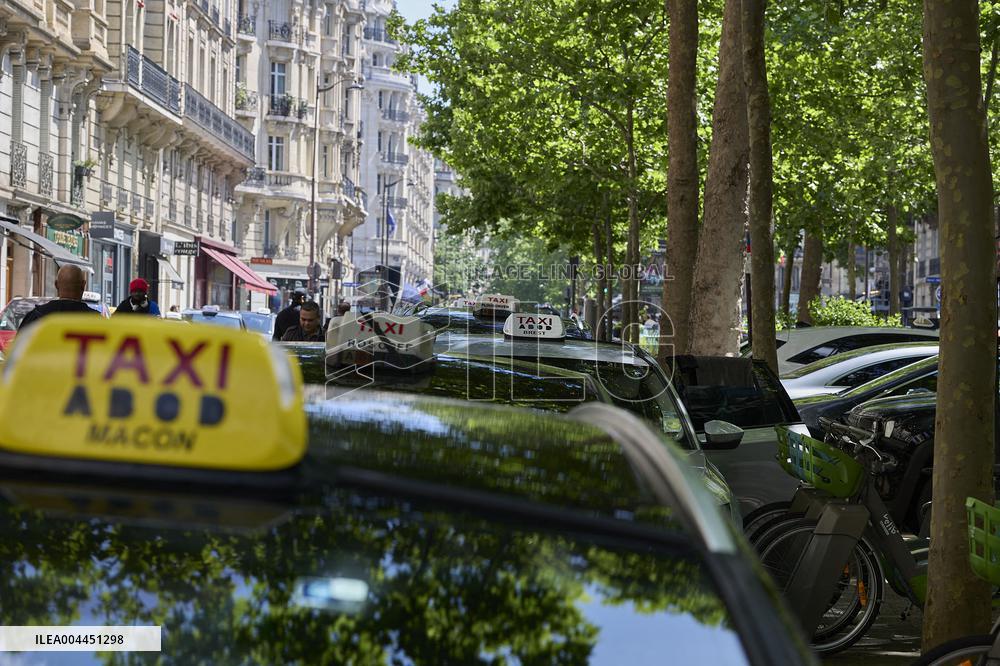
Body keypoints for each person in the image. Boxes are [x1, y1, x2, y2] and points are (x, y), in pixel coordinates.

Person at [19, 265, 98, 329]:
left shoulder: (36, 317)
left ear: (56, 285)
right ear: (83, 285)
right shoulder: (98, 321)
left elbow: (19, 346)